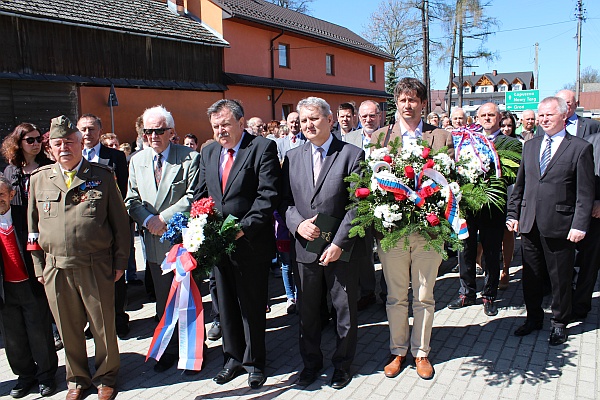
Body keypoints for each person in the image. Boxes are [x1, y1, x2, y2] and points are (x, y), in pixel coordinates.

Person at [28, 115, 130, 400]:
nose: (64, 148)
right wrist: (38, 265)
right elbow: (32, 229)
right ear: (50, 148)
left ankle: (106, 376)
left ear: (80, 143)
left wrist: (120, 261)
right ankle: (76, 379)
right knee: (67, 326)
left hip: (95, 264)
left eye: (69, 142)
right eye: (58, 143)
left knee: (102, 325)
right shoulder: (39, 180)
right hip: (55, 267)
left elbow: (121, 225)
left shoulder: (102, 176)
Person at [370, 77, 454, 381]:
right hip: (392, 232)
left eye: (414, 99)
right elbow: (370, 182)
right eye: (403, 99)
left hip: (428, 231)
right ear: (396, 102)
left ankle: (421, 353)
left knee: (424, 295)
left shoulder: (441, 137)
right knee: (395, 296)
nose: (408, 105)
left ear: (422, 103)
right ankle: (398, 350)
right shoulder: (380, 137)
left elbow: (450, 182)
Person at [194, 99, 281, 389]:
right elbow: (202, 193)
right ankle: (231, 359)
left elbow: (267, 195)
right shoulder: (208, 152)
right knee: (226, 306)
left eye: (225, 124)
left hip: (250, 242)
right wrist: (197, 226)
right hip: (218, 246)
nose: (221, 131)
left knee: (251, 305)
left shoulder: (261, 148)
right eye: (216, 126)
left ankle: (255, 362)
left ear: (241, 122)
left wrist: (242, 228)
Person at [281, 97, 365, 389]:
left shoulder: (352, 154)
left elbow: (358, 204)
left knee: (344, 310)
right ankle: (311, 364)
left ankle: (342, 365)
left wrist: (340, 242)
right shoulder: (292, 157)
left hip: (340, 249)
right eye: (303, 120)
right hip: (305, 247)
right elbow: (285, 202)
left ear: (330, 120)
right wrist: (297, 224)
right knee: (308, 312)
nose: (308, 125)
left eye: (314, 119)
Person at [507, 96, 594, 345]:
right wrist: (513, 214)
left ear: (564, 116)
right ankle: (533, 318)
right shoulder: (531, 146)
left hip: (560, 225)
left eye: (549, 115)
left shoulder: (579, 148)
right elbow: (521, 184)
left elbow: (584, 192)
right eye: (541, 115)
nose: (543, 119)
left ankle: (559, 322)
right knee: (531, 276)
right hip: (530, 223)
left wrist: (579, 225)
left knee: (560, 278)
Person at [125, 106, 201, 373]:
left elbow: (193, 195)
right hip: (154, 243)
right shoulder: (137, 160)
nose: (153, 136)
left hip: (181, 243)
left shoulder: (190, 157)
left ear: (171, 131)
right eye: (148, 131)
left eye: (159, 130)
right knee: (163, 300)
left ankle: (192, 352)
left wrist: (163, 219)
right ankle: (168, 351)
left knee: (187, 300)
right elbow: (131, 199)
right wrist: (148, 221)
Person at [447, 103, 520, 316]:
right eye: (483, 115)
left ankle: (489, 295)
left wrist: (486, 179)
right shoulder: (465, 139)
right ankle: (466, 293)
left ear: (499, 118)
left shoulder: (510, 143)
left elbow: (511, 173)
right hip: (468, 205)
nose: (487, 118)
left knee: (490, 252)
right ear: (476, 118)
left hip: (493, 205)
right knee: (465, 250)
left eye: (491, 115)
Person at [0, 176, 58, 398]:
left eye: (1, 196)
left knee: (39, 333)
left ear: (12, 195)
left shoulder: (25, 216)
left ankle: (46, 376)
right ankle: (25, 376)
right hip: (6, 290)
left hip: (31, 285)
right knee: (14, 339)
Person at [77, 114, 131, 338]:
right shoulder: (73, 156)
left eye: (91, 128)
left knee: (116, 273)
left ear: (100, 131)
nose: (87, 133)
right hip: (86, 227)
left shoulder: (115, 156)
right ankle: (93, 321)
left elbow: (125, 188)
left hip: (111, 223)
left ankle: (119, 318)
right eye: (83, 129)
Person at [556, 89, 600, 321]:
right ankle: (562, 302)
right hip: (565, 207)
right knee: (563, 260)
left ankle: (580, 306)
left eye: (569, 103)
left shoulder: (591, 130)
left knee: (588, 262)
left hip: (594, 209)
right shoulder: (553, 133)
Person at [345, 100, 383, 310]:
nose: (368, 120)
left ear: (379, 116)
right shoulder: (348, 138)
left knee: (387, 248)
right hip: (360, 202)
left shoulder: (388, 136)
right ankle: (367, 291)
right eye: (364, 116)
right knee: (364, 250)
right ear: (358, 118)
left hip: (387, 201)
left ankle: (388, 292)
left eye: (372, 115)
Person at [2, 123, 54, 206]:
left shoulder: (51, 167)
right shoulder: (10, 170)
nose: (36, 143)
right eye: (30, 140)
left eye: (39, 139)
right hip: (18, 217)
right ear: (19, 143)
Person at [498, 111, 518, 290]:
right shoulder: (490, 142)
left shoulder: (518, 144)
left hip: (510, 193)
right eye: (502, 125)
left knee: (507, 233)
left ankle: (505, 269)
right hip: (492, 194)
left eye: (509, 126)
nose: (505, 129)